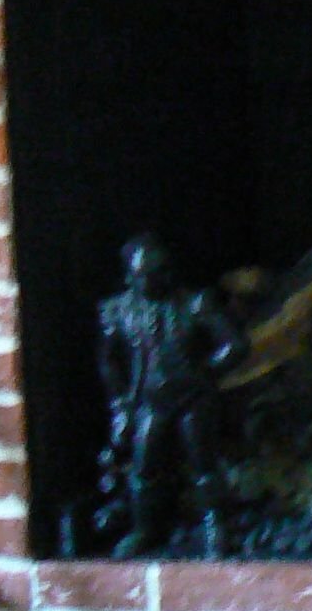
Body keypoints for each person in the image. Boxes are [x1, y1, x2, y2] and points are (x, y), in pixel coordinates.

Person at [94, 237, 247, 557]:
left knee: (204, 465)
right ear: (131, 277)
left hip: (194, 399)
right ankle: (145, 529)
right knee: (144, 468)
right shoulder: (119, 311)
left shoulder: (195, 304)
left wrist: (207, 370)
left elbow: (235, 345)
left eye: (160, 272)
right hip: (152, 401)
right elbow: (108, 361)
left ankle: (217, 527)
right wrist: (120, 404)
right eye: (145, 275)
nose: (155, 280)